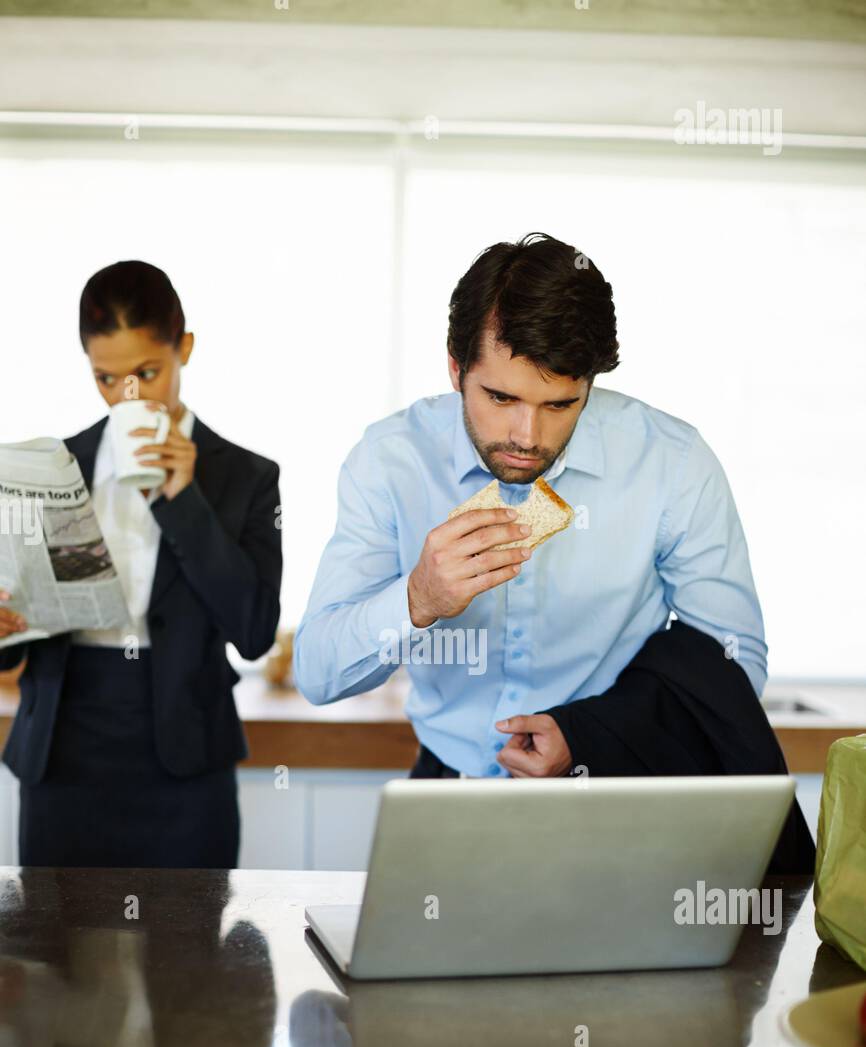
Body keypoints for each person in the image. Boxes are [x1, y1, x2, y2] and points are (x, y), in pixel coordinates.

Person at [292, 232, 813, 868]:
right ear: (456, 368)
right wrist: (417, 599)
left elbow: (734, 661)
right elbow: (317, 673)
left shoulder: (673, 463)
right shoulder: (389, 459)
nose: (526, 438)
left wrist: (592, 733)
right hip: (446, 798)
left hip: (616, 798)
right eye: (501, 398)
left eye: (561, 403)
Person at [0, 260, 282, 868]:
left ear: (185, 348)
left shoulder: (245, 477)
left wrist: (184, 502)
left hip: (183, 765)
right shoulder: (53, 466)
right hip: (62, 758)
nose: (126, 395)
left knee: (190, 958)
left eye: (146, 373)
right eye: (105, 379)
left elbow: (256, 631)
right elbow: (12, 647)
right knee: (51, 956)